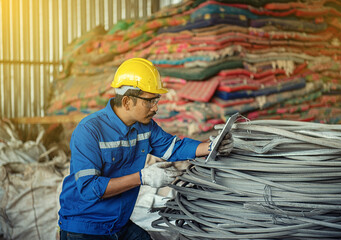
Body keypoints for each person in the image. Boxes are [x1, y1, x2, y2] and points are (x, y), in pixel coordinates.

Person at [58, 58, 233, 240]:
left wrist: (211, 146)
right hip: (85, 227)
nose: (155, 107)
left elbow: (173, 148)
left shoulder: (145, 126)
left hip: (118, 223)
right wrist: (142, 177)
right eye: (149, 101)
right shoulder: (89, 130)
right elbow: (88, 188)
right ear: (127, 102)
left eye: (156, 100)